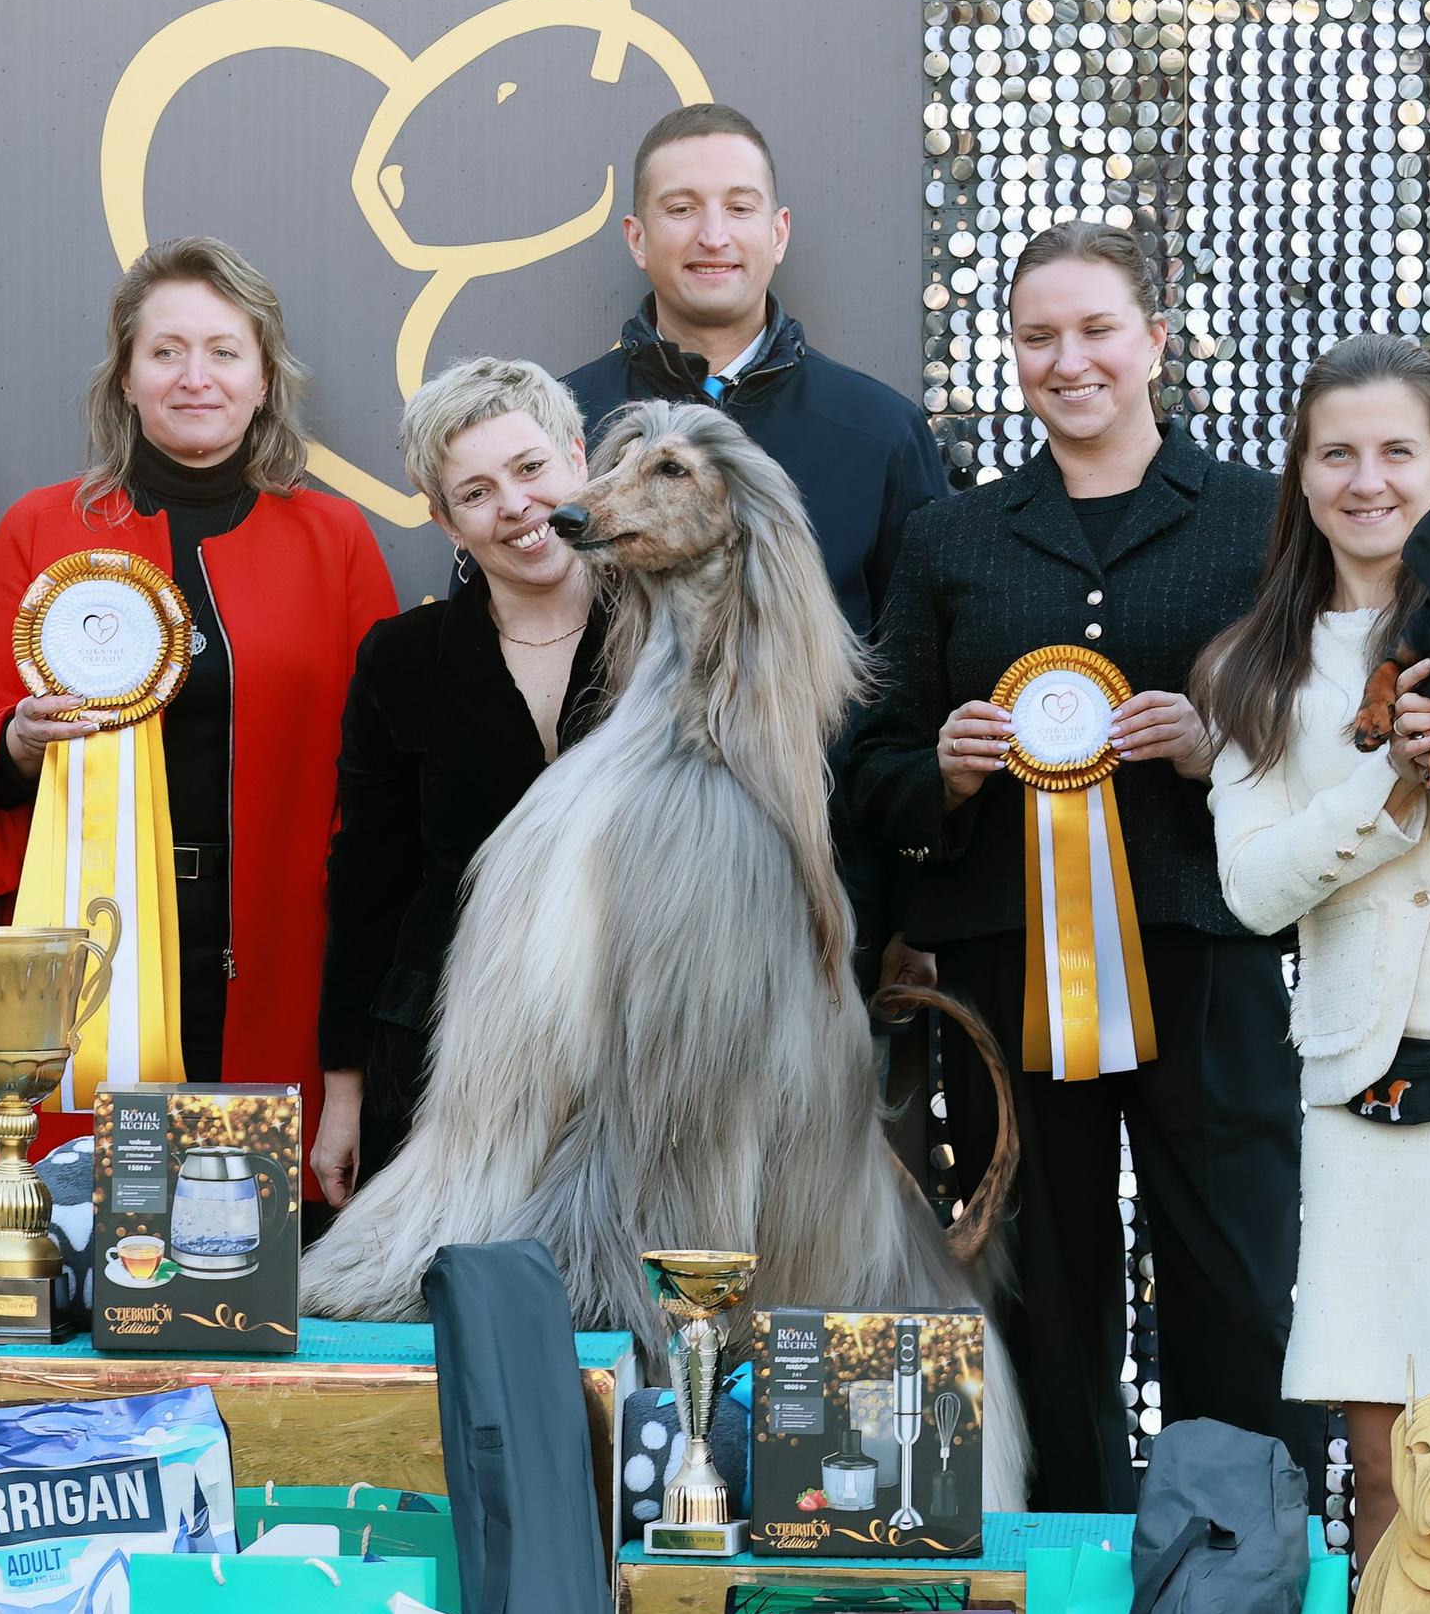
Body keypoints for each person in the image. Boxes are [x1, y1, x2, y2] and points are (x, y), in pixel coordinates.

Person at [844, 220, 1316, 1513]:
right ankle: (1069, 1586)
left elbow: (1332, 732)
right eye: (1039, 336)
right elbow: (871, 757)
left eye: (1097, 329)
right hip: (1006, 967)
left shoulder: (1260, 523)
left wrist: (1227, 746)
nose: (1069, 361)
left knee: (1234, 1276)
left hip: (1209, 951)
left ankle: (1241, 1585)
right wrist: (937, 766)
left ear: (1156, 341)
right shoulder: (955, 539)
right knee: (1043, 1289)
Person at [0, 236, 396, 1146]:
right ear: (126, 379)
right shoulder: (40, 530)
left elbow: (379, 790)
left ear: (265, 379)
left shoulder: (335, 542)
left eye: (225, 351)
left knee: (252, 1259)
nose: (195, 376)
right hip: (97, 950)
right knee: (95, 1241)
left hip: (285, 954)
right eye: (165, 351)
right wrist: (20, 743)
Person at [1199, 336, 1430, 1614]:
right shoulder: (1256, 669)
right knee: (1383, 1463)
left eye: (1398, 452)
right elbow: (1253, 889)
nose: (1369, 479)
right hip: (1362, 1097)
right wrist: (1388, 793)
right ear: (1302, 478)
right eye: (1339, 454)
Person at [312, 357, 612, 1201]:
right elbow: (367, 882)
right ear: (446, 523)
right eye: (476, 493)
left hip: (641, 1041)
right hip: (445, 1055)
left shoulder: (673, 629)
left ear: (578, 461)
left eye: (530, 469)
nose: (515, 506)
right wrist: (343, 1094)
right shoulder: (402, 660)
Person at [560, 100, 945, 638]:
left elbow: (924, 660)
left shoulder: (881, 432)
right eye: (680, 209)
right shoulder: (558, 428)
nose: (714, 236)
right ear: (637, 238)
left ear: (779, 233)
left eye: (740, 208)